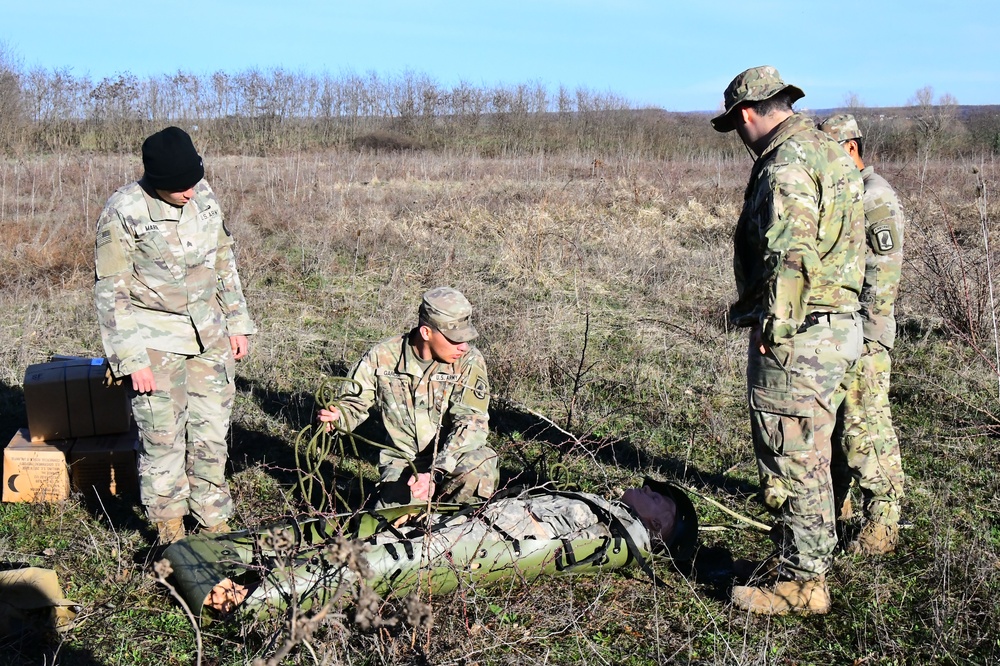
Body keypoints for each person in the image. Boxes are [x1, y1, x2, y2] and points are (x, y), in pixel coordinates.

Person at [711, 66, 866, 615]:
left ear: (746, 114)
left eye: (736, 126)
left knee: (791, 454)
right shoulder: (830, 152)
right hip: (842, 324)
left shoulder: (786, 165)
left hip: (802, 333)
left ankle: (803, 583)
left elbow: (792, 252)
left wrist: (775, 329)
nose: (739, 138)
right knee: (816, 452)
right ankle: (813, 558)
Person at [162, 479, 699, 617]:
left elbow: (551, 544)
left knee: (376, 559)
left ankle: (245, 594)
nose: (646, 492)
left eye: (659, 499)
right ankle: (210, 554)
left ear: (661, 531)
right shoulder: (609, 513)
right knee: (356, 530)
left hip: (489, 540)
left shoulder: (618, 538)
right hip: (480, 524)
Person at [94, 126, 256, 545]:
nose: (189, 192)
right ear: (156, 182)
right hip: (155, 340)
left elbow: (224, 259)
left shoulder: (203, 194)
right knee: (163, 438)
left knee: (211, 430)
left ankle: (212, 517)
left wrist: (237, 322)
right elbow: (111, 290)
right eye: (178, 187)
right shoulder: (124, 210)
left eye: (193, 182)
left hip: (209, 334)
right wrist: (132, 360)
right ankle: (170, 529)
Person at [318, 287, 496, 507]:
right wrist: (337, 417)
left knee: (477, 471)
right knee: (393, 518)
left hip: (454, 458)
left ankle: (461, 522)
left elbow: (472, 424)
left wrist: (436, 472)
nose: (463, 346)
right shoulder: (382, 357)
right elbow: (353, 402)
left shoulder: (468, 361)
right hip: (404, 463)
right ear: (426, 333)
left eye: (466, 338)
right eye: (454, 339)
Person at [819, 114, 906, 555]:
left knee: (866, 425)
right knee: (835, 426)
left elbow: (881, 279)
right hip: (840, 334)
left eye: (831, 152)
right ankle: (838, 505)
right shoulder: (846, 195)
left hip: (865, 336)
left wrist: (867, 341)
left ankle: (884, 519)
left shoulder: (875, 199)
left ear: (852, 148)